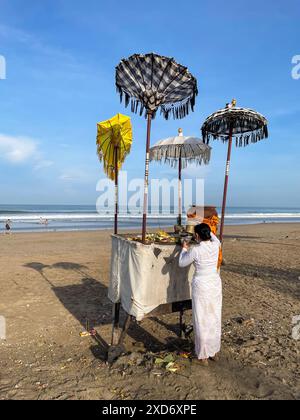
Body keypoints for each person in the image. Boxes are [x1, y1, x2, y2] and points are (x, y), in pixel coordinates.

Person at [179, 223, 222, 366]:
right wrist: (208, 230)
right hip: (214, 283)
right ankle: (214, 351)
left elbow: (181, 263)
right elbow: (215, 238)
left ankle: (203, 355)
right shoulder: (216, 245)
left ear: (196, 236)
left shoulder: (195, 250)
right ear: (209, 234)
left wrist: (184, 247)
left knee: (202, 318)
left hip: (202, 285)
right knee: (214, 316)